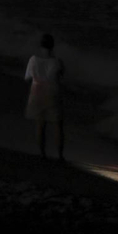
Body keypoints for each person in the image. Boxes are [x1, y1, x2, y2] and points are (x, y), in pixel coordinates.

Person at [25, 32, 66, 161]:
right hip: (52, 92)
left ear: (40, 45)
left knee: (40, 124)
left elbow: (27, 78)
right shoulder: (57, 62)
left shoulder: (33, 60)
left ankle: (42, 154)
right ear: (52, 46)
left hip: (37, 92)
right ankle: (60, 156)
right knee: (58, 126)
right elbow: (62, 76)